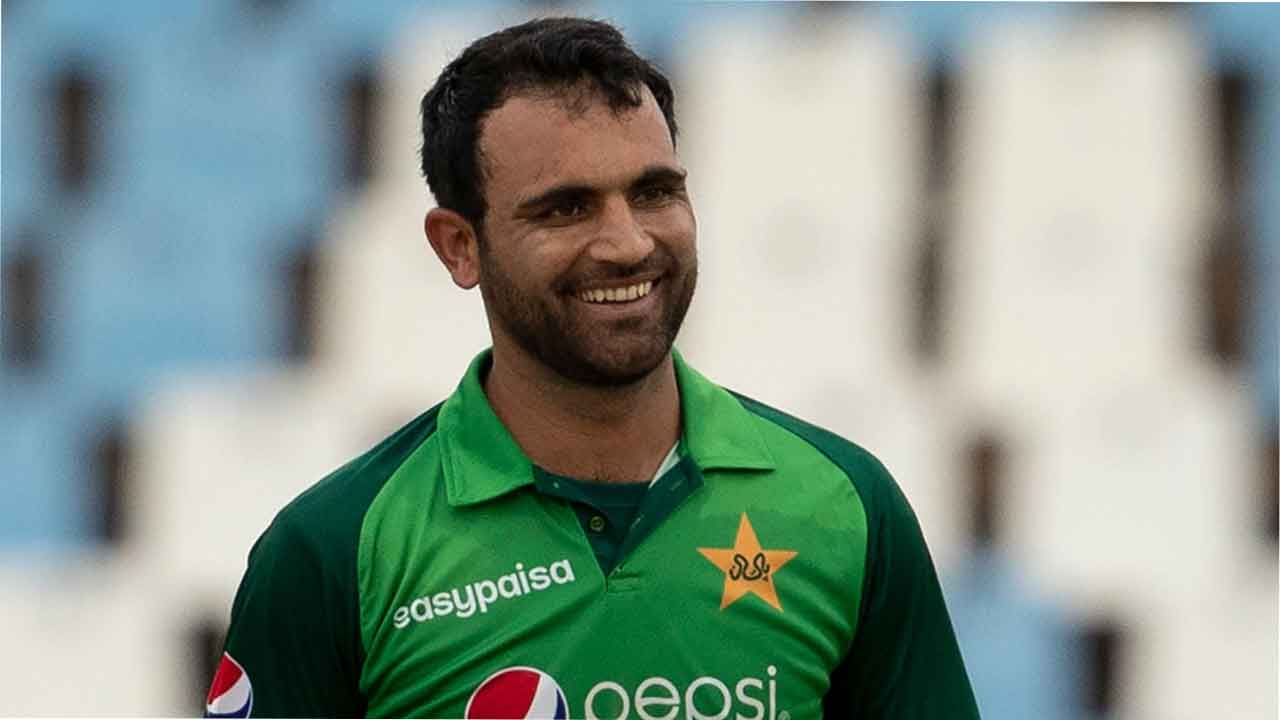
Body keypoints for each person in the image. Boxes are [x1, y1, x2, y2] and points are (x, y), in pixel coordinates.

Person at [205, 17, 979, 720]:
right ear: (459, 247)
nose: (629, 242)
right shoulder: (334, 550)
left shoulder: (845, 505)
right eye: (566, 208)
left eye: (654, 193)